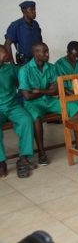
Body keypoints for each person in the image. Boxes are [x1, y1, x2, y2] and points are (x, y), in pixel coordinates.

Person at [19, 43, 78, 165]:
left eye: (47, 51)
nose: (47, 54)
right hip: (33, 103)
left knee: (74, 108)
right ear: (35, 53)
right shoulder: (24, 71)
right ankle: (42, 153)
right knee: (36, 118)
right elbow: (28, 96)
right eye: (44, 52)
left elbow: (56, 90)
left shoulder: (51, 67)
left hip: (49, 101)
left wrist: (39, 90)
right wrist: (47, 90)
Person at [0, 44, 36, 178]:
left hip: (13, 106)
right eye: (4, 52)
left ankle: (23, 158)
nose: (8, 54)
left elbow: (22, 76)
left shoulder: (10, 69)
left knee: (26, 120)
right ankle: (1, 161)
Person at [4, 1, 42, 65]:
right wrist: (12, 64)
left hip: (37, 60)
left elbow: (40, 40)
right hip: (24, 61)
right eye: (31, 9)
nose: (34, 12)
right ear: (24, 11)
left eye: (34, 9)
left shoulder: (35, 24)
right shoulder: (16, 25)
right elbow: (7, 44)